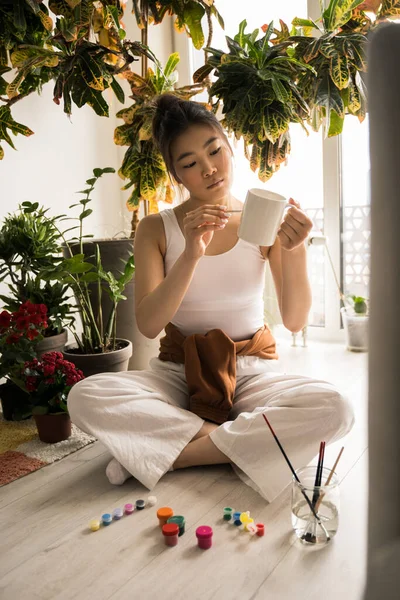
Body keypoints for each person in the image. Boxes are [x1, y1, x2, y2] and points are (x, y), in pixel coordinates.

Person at [68, 94, 354, 503]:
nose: (209, 169)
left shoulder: (263, 218)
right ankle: (236, 445)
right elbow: (149, 324)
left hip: (252, 371)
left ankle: (175, 454)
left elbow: (293, 320)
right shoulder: (156, 227)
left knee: (337, 407)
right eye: (189, 163)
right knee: (85, 396)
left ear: (229, 146)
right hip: (176, 372)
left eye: (215, 150)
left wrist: (296, 249)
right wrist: (190, 253)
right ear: (176, 175)